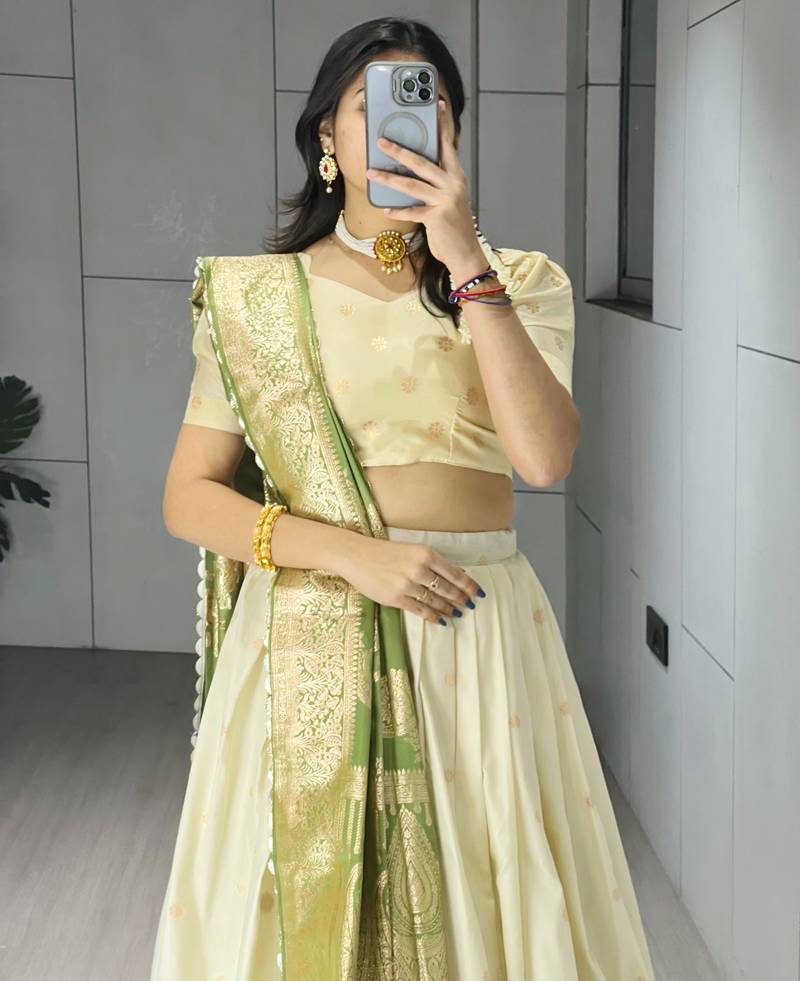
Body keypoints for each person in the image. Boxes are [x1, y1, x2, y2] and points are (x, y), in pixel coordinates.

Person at [150, 16, 656, 981]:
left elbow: (544, 457)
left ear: (453, 134)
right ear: (327, 136)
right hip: (307, 632)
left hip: (472, 636)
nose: (399, 128)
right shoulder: (258, 299)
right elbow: (189, 498)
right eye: (368, 105)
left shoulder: (521, 282)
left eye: (430, 109)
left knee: (485, 901)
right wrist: (356, 556)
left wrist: (466, 259)